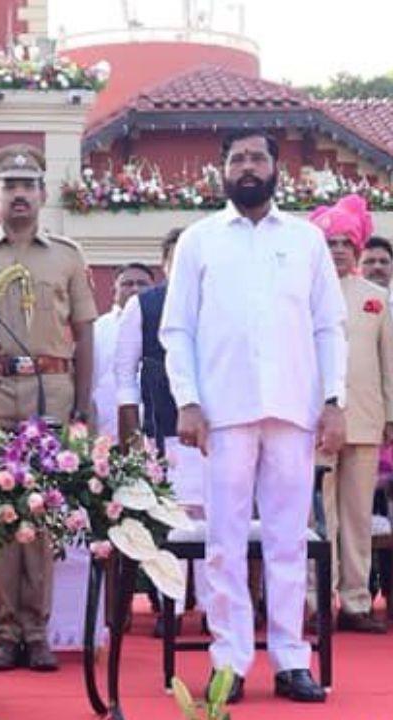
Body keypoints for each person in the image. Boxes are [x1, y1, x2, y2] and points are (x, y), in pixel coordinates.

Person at [161, 129, 344, 704]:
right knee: (224, 542)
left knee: (289, 540)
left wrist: (333, 401)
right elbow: (177, 329)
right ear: (223, 171)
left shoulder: (308, 240)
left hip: (293, 408)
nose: (247, 166)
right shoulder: (198, 240)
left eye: (257, 157)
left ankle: (292, 660)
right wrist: (188, 399)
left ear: (274, 169)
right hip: (223, 412)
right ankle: (229, 661)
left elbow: (327, 327)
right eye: (237, 158)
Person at [0, 144, 96, 673]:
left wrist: (85, 405)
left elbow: (85, 334)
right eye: (9, 185)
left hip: (53, 391)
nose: (19, 194)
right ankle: (5, 633)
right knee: (3, 518)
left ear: (44, 194)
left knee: (41, 519)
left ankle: (38, 630)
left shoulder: (67, 255)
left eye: (28, 185)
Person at [306, 195, 392, 634]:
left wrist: (390, 414)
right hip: (314, 424)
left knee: (358, 517)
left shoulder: (377, 298)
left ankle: (356, 602)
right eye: (330, 241)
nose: (338, 249)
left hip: (364, 420)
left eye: (345, 242)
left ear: (358, 249)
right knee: (319, 518)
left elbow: (388, 362)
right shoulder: (303, 293)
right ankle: (315, 599)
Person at [114, 228, 207, 636]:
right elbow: (124, 373)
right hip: (162, 428)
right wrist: (133, 432)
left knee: (212, 520)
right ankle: (169, 606)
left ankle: (209, 609)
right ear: (166, 263)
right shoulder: (145, 305)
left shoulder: (219, 302)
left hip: (216, 432)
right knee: (169, 520)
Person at [92, 263, 153, 439]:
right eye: (127, 284)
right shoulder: (98, 329)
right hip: (108, 430)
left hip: (158, 429)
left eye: (142, 284)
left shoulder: (165, 326)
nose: (135, 289)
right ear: (114, 289)